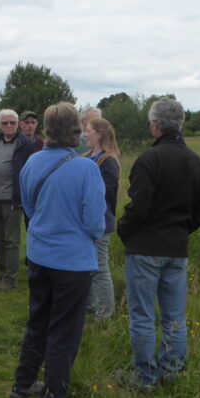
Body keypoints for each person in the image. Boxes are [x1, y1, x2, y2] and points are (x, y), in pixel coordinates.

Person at [10, 102, 105, 398]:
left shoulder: (33, 162)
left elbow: (29, 207)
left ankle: (22, 384)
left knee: (37, 320)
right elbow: (95, 223)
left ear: (47, 130)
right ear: (76, 130)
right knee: (64, 331)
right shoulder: (87, 168)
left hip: (39, 255)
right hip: (73, 263)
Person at [116, 98, 200, 390]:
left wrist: (124, 230)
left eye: (150, 122)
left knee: (143, 315)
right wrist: (180, 231)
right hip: (176, 250)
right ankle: (170, 373)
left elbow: (139, 206)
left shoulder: (149, 159)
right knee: (174, 316)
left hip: (145, 249)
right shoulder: (197, 162)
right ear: (180, 124)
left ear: (155, 125)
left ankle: (144, 378)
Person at [0, 109, 34, 291]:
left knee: (11, 240)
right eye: (5, 123)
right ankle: (2, 271)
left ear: (18, 124)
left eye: (12, 122)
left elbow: (30, 171)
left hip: (12, 199)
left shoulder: (26, 144)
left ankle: (10, 279)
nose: (9, 126)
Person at [82, 117, 121, 322]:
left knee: (99, 268)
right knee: (87, 268)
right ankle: (90, 305)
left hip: (101, 223)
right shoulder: (87, 156)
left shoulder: (108, 161)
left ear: (100, 134)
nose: (85, 134)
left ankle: (104, 313)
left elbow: (104, 194)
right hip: (85, 223)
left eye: (88, 131)